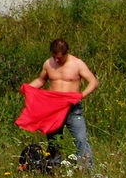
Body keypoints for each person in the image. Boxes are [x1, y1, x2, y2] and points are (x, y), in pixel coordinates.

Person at [28, 38, 97, 170]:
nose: (57, 61)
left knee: (80, 138)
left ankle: (86, 169)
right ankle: (53, 167)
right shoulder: (49, 64)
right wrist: (28, 88)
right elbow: (41, 80)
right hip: (53, 108)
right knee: (54, 140)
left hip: (72, 108)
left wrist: (80, 95)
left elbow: (93, 82)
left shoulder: (77, 64)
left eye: (60, 57)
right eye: (55, 57)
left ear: (67, 53)